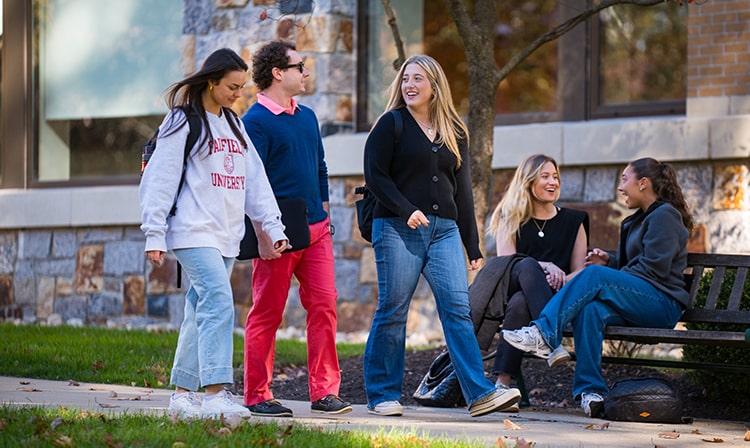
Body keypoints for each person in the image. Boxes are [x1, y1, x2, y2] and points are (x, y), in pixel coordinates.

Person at [363, 54, 521, 418]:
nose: (410, 86)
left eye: (418, 79)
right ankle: (383, 395)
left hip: (445, 231)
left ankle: (479, 393)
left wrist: (471, 243)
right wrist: (407, 209)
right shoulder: (392, 124)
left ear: (435, 86)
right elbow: (375, 176)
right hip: (397, 228)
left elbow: (462, 191)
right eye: (406, 79)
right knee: (393, 309)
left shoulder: (454, 130)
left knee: (458, 310)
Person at [139, 48, 288, 419]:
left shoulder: (234, 125)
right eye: (231, 87)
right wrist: (154, 232)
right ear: (211, 82)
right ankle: (217, 393)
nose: (238, 94)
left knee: (197, 309)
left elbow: (255, 181)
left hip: (225, 235)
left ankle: (182, 397)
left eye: (242, 87)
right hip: (192, 231)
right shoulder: (182, 121)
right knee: (219, 301)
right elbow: (159, 179)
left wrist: (272, 226)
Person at [503, 157, 693, 418]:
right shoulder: (636, 220)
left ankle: (544, 331)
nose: (621, 187)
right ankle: (591, 391)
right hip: (640, 299)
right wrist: (611, 261)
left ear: (644, 183)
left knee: (595, 276)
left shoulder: (665, 215)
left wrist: (608, 274)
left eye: (625, 179)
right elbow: (638, 263)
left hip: (661, 304)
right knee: (590, 310)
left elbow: (655, 269)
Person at [241, 40, 351, 417]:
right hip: (277, 235)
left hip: (317, 230)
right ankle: (258, 394)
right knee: (268, 313)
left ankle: (325, 393)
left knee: (324, 306)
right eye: (299, 66)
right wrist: (262, 234)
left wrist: (323, 210)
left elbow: (319, 166)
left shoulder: (306, 117)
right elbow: (249, 184)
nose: (305, 73)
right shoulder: (253, 123)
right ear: (277, 73)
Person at [483, 154, 589, 406]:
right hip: (516, 281)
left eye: (556, 177)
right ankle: (552, 342)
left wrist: (558, 279)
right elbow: (507, 264)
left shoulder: (574, 221)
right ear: (528, 182)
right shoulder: (511, 217)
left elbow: (580, 271)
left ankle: (502, 386)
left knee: (520, 303)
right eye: (545, 176)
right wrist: (545, 266)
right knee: (527, 268)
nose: (553, 182)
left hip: (558, 296)